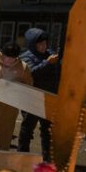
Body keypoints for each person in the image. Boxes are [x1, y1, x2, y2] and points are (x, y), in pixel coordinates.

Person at [18, 28, 60, 161]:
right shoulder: (25, 57)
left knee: (47, 131)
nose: (44, 46)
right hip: (31, 98)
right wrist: (47, 63)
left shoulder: (50, 54)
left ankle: (47, 159)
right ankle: (22, 155)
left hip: (48, 98)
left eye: (45, 43)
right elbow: (32, 73)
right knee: (27, 129)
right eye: (40, 44)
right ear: (33, 44)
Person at [0, 42, 32, 150]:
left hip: (10, 107)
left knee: (6, 136)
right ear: (1, 53)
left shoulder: (23, 67)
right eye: (5, 57)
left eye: (11, 58)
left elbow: (29, 86)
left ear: (16, 57)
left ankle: (2, 159)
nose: (7, 60)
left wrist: (18, 89)